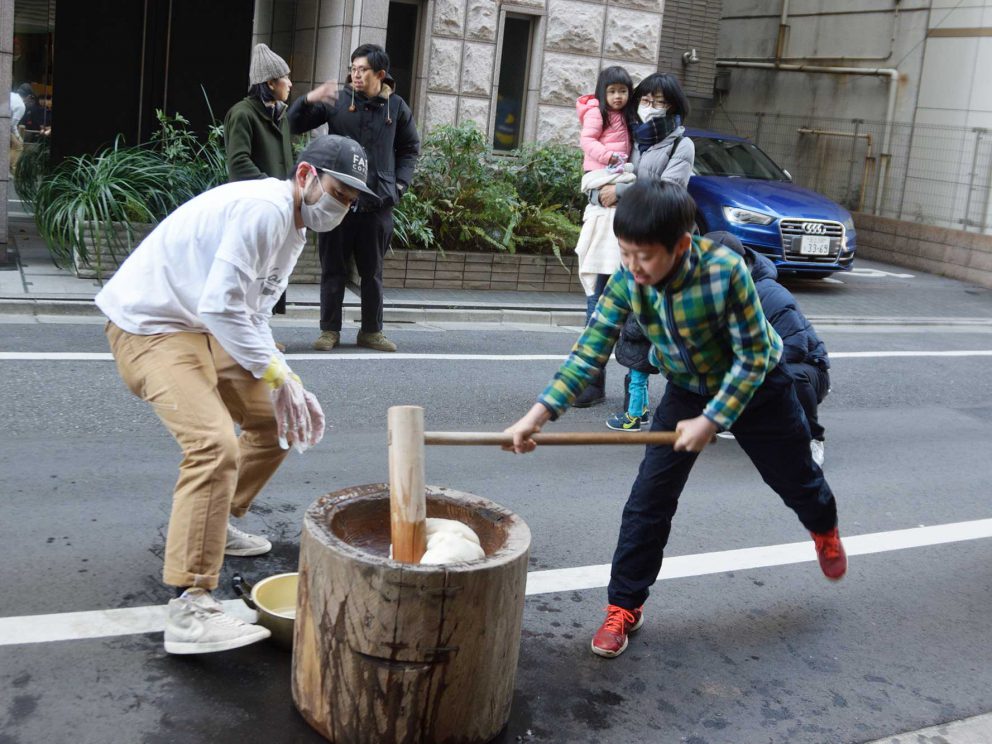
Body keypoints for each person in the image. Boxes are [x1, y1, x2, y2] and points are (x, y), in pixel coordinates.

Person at [504, 180, 847, 660]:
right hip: (687, 387)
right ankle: (624, 605)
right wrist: (537, 415)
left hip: (760, 386)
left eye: (643, 256)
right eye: (625, 253)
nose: (632, 267)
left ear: (681, 246)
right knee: (649, 497)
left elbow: (750, 359)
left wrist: (713, 420)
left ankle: (824, 528)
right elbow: (588, 352)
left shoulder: (726, 272)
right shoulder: (629, 278)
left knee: (796, 480)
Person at [95, 135, 376, 655]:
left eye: (354, 200)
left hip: (204, 323)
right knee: (213, 446)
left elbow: (253, 314)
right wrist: (281, 374)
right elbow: (224, 308)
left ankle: (216, 522)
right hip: (151, 325)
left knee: (279, 420)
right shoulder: (263, 210)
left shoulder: (292, 227)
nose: (345, 206)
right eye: (340, 191)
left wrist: (286, 380)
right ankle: (189, 605)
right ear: (307, 175)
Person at [288, 43, 421, 353]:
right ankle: (329, 331)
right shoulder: (339, 100)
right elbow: (294, 124)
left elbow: (409, 149)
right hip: (336, 198)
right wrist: (308, 99)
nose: (355, 75)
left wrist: (399, 185)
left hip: (378, 201)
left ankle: (371, 331)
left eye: (362, 70)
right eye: (353, 69)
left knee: (372, 272)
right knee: (332, 267)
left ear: (380, 74)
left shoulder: (397, 107)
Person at [591, 73, 696, 416]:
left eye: (659, 102)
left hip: (655, 248)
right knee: (602, 314)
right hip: (615, 240)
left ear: (673, 106)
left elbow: (669, 191)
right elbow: (599, 175)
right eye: (646, 100)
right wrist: (599, 192)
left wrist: (620, 192)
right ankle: (593, 387)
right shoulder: (630, 138)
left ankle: (646, 400)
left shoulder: (681, 145)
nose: (651, 108)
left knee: (646, 323)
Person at [706, 231, 831, 466]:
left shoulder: (769, 295)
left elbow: (796, 348)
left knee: (789, 375)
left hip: (808, 370)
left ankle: (812, 438)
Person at [572, 66, 636, 408]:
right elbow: (587, 143)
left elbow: (648, 177)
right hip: (602, 217)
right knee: (598, 306)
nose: (617, 96)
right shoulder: (598, 114)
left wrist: (623, 186)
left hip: (630, 232)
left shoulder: (634, 122)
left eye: (623, 91)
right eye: (612, 91)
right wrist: (609, 167)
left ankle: (633, 390)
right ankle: (590, 382)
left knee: (632, 314)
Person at [224, 43, 295, 348]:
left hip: (279, 206)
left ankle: (258, 330)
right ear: (270, 83)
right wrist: (273, 188)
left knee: (269, 270)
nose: (290, 84)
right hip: (256, 205)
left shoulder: (281, 115)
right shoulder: (242, 114)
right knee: (252, 270)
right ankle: (242, 333)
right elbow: (238, 162)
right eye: (285, 78)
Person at [9, 88, 24, 174]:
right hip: (4, 126)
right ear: (29, 97)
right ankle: (11, 168)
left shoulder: (11, 94)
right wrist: (18, 136)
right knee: (19, 145)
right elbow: (12, 124)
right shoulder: (21, 105)